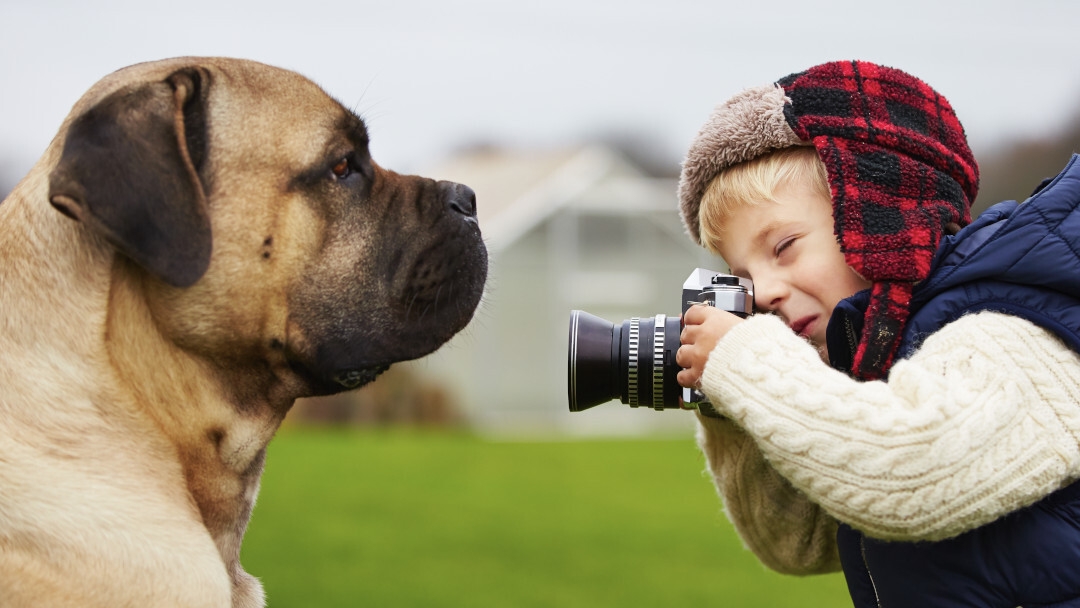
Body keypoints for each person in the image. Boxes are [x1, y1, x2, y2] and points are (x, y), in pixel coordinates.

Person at [673, 60, 1080, 606]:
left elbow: (911, 476)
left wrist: (747, 361)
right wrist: (729, 403)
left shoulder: (1014, 330)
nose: (762, 292)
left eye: (784, 247)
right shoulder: (891, 356)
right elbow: (799, 544)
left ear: (878, 210)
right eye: (743, 275)